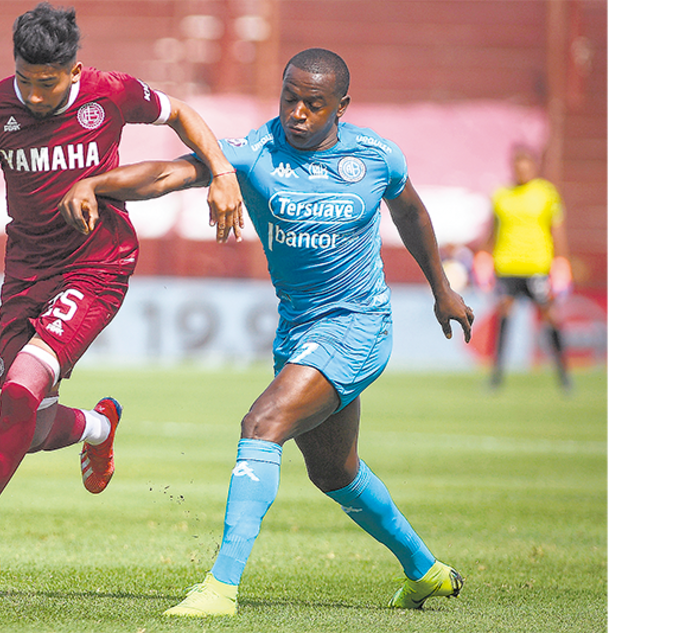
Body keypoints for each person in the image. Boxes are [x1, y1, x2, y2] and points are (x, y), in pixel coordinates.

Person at [59, 48, 474, 617]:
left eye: (314, 104)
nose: (298, 113)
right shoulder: (254, 153)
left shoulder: (377, 157)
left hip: (358, 327)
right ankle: (424, 571)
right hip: (299, 332)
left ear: (341, 108)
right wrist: (97, 184)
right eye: (290, 98)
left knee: (262, 425)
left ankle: (220, 588)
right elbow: (169, 173)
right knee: (335, 471)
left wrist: (442, 289)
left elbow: (412, 214)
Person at [0, 2, 242, 578]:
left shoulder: (111, 92)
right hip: (26, 271)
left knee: (20, 388)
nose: (34, 95)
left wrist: (223, 172)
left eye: (48, 83)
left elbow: (180, 112)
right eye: (26, 80)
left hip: (97, 263)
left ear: (75, 69)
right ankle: (99, 426)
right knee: (29, 425)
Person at [473, 144, 573, 391]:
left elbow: (557, 231)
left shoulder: (546, 194)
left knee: (550, 316)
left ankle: (564, 375)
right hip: (507, 266)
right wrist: (483, 256)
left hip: (537, 266)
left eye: (527, 165)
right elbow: (492, 232)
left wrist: (561, 262)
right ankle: (496, 376)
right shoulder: (501, 195)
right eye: (518, 165)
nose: (522, 170)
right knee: (504, 317)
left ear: (534, 166)